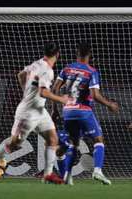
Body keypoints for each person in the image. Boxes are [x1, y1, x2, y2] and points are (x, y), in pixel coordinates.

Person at [0, 42, 68, 184]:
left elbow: (21, 75)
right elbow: (43, 92)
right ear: (58, 55)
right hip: (28, 112)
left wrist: (26, 91)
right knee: (15, 143)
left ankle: (48, 174)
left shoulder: (37, 63)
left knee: (53, 139)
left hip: (40, 110)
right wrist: (61, 99)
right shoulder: (47, 70)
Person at [51, 42, 119, 185]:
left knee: (71, 144)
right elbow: (95, 95)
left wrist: (54, 109)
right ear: (90, 55)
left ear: (77, 53)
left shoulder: (67, 69)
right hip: (84, 111)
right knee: (98, 140)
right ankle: (97, 171)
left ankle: (66, 175)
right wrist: (109, 104)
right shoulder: (91, 71)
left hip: (68, 111)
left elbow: (55, 88)